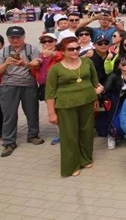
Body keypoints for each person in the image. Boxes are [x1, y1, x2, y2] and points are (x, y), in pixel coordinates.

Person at [45, 37, 103, 176]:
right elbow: (50, 92)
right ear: (62, 51)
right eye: (71, 49)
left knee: (86, 132)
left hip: (87, 102)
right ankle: (71, 165)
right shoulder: (56, 69)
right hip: (66, 105)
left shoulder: (87, 62)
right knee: (69, 135)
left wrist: (96, 97)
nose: (75, 51)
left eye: (77, 48)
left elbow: (94, 81)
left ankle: (85, 159)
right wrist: (51, 113)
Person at [0, 26, 43, 157]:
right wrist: (6, 63)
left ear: (23, 37)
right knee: (9, 114)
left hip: (28, 84)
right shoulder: (3, 52)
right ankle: (9, 141)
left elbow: (36, 66)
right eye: (12, 37)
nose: (15, 40)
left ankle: (33, 135)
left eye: (18, 37)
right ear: (8, 38)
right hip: (8, 85)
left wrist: (24, 63)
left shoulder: (32, 49)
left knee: (32, 111)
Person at [103, 56, 126, 150]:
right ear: (118, 66)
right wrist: (107, 99)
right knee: (117, 123)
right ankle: (112, 136)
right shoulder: (113, 76)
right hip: (117, 103)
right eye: (123, 63)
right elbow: (106, 90)